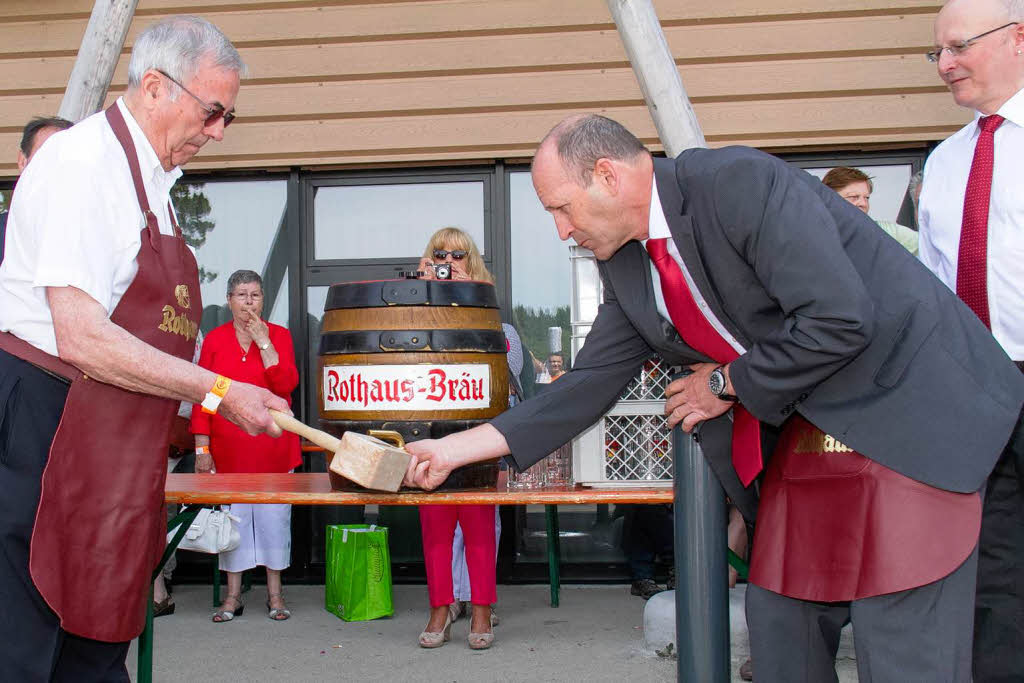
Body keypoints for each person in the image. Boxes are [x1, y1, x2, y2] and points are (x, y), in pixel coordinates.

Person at [403, 114, 1024, 682]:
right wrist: (455, 449)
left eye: (561, 208)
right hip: (812, 445)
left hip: (914, 415)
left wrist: (726, 383)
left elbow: (838, 319)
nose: (562, 228)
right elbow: (590, 382)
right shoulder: (625, 263)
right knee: (781, 629)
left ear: (607, 175)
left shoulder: (738, 184)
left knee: (903, 648)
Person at [0, 16, 289, 681]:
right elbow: (80, 333)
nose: (217, 130)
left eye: (229, 119)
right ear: (155, 87)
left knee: (97, 633)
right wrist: (216, 389)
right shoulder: (81, 166)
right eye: (213, 110)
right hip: (51, 427)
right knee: (33, 639)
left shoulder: (155, 188)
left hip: (114, 442)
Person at [919, 2, 1024, 679]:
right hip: (974, 383)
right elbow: (929, 288)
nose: (945, 64)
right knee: (993, 560)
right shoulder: (945, 161)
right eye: (937, 52)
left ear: (1018, 36)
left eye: (958, 47)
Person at [192, 270, 301, 623]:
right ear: (229, 300)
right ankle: (232, 597)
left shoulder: (280, 336)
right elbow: (204, 398)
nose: (248, 302)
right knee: (233, 525)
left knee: (274, 523)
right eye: (241, 295)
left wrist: (264, 341)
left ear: (263, 300)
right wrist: (201, 448)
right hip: (229, 450)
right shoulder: (216, 341)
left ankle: (275, 595)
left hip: (272, 448)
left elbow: (285, 384)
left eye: (255, 295)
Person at [414, 227, 505, 650]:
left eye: (458, 254)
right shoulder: (416, 307)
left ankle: (482, 609)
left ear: (473, 261)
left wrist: (467, 292)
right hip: (429, 428)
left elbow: (510, 362)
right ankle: (440, 608)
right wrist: (419, 289)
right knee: (434, 524)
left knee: (479, 525)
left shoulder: (488, 307)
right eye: (439, 253)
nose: (447, 260)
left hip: (476, 432)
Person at [0, 116, 73, 264]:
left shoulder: (91, 229)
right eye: (45, 155)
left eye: (66, 157)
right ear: (22, 161)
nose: (55, 165)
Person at [821, 166, 920, 255]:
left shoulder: (885, 232)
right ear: (830, 199)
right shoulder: (814, 234)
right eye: (853, 197)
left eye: (866, 198)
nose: (863, 204)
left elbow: (927, 246)